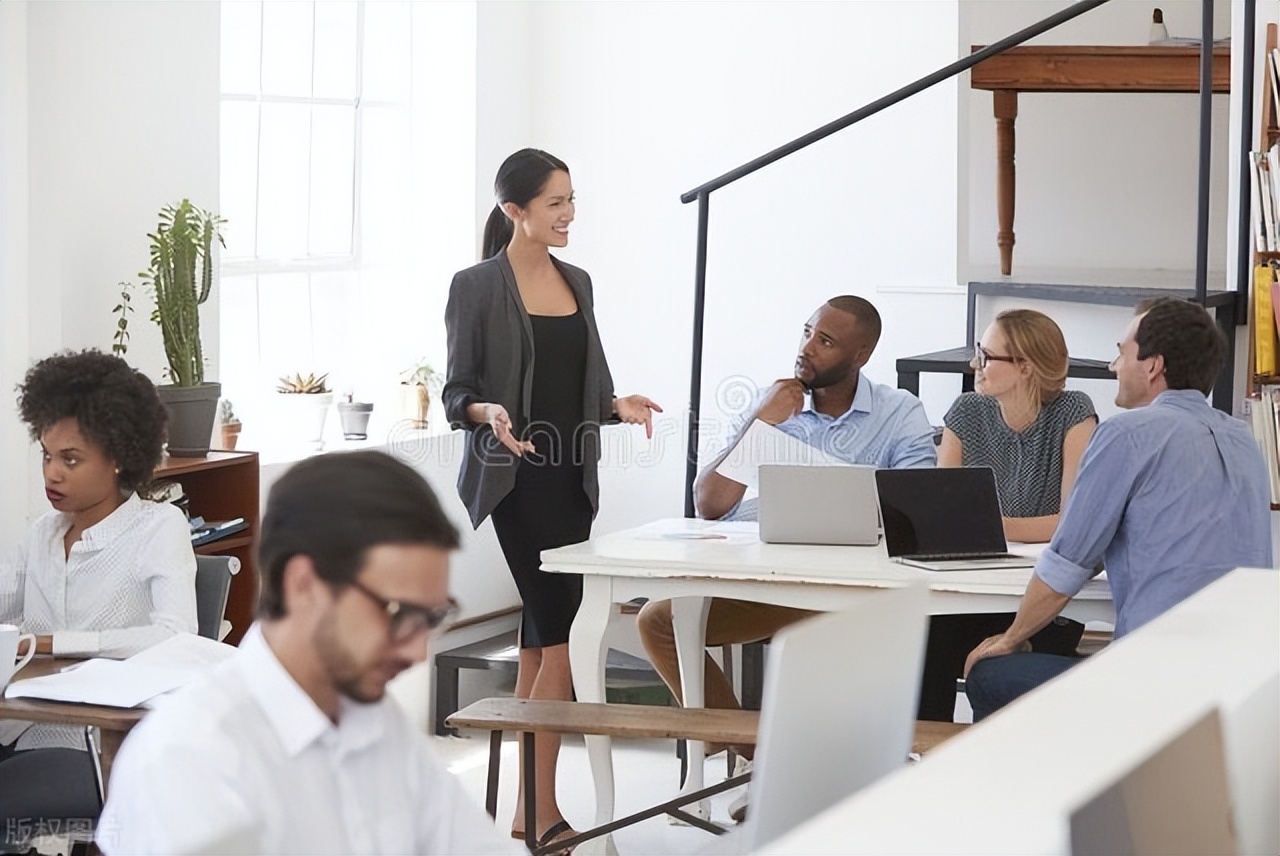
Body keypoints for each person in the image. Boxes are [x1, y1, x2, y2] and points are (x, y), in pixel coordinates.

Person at [96, 451, 518, 855]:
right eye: (399, 613)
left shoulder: (374, 721)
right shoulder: (190, 760)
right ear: (303, 585)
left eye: (431, 617)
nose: (419, 651)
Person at [443, 147, 661, 849]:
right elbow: (457, 393)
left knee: (542, 642)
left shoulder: (579, 281)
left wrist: (616, 404)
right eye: (555, 203)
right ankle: (542, 811)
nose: (569, 215)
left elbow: (583, 386)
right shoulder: (476, 286)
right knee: (565, 639)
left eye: (572, 200)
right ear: (516, 211)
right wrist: (488, 416)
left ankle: (521, 810)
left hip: (573, 478)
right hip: (518, 481)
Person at [963, 298, 1273, 720]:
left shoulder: (1126, 435)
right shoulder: (1244, 441)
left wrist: (1010, 638)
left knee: (990, 673)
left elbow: (1067, 564)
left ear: (1153, 366)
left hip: (1153, 682)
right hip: (1243, 682)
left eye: (1121, 352)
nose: (1113, 366)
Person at [638, 296, 937, 724]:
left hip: (845, 586)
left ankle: (774, 754)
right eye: (807, 332)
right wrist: (760, 421)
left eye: (826, 341)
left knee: (833, 640)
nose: (807, 347)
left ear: (861, 355)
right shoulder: (770, 402)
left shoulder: (899, 413)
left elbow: (916, 508)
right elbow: (709, 504)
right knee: (657, 620)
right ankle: (748, 747)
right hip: (759, 576)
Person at [0, 350, 197, 849]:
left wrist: (49, 643)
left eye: (71, 459)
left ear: (118, 460)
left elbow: (176, 635)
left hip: (100, 745)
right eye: (46, 455)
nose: (53, 474)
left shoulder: (158, 529)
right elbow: (6, 603)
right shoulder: (41, 533)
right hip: (22, 731)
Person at [919, 309, 1098, 721]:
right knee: (921, 636)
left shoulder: (1074, 413)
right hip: (968, 591)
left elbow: (1072, 523)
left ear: (1025, 367)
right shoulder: (966, 412)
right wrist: (979, 527)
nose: (974, 364)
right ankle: (923, 760)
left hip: (1042, 601)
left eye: (985, 355)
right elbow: (942, 510)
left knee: (975, 652)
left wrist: (987, 526)